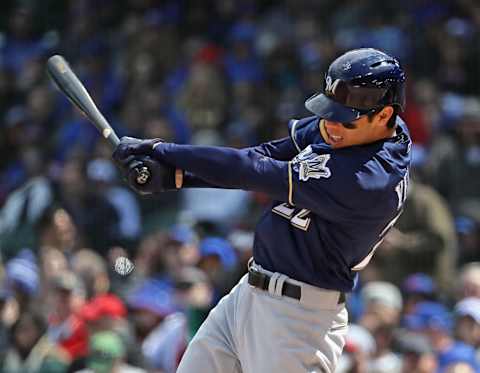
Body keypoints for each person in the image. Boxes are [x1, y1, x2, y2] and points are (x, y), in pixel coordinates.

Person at [113, 48, 411, 373]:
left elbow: (252, 170)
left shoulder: (367, 179)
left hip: (298, 321)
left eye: (344, 120)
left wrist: (163, 150)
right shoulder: (357, 132)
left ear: (384, 116)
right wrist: (175, 176)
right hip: (250, 293)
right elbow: (267, 154)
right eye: (329, 113)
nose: (331, 126)